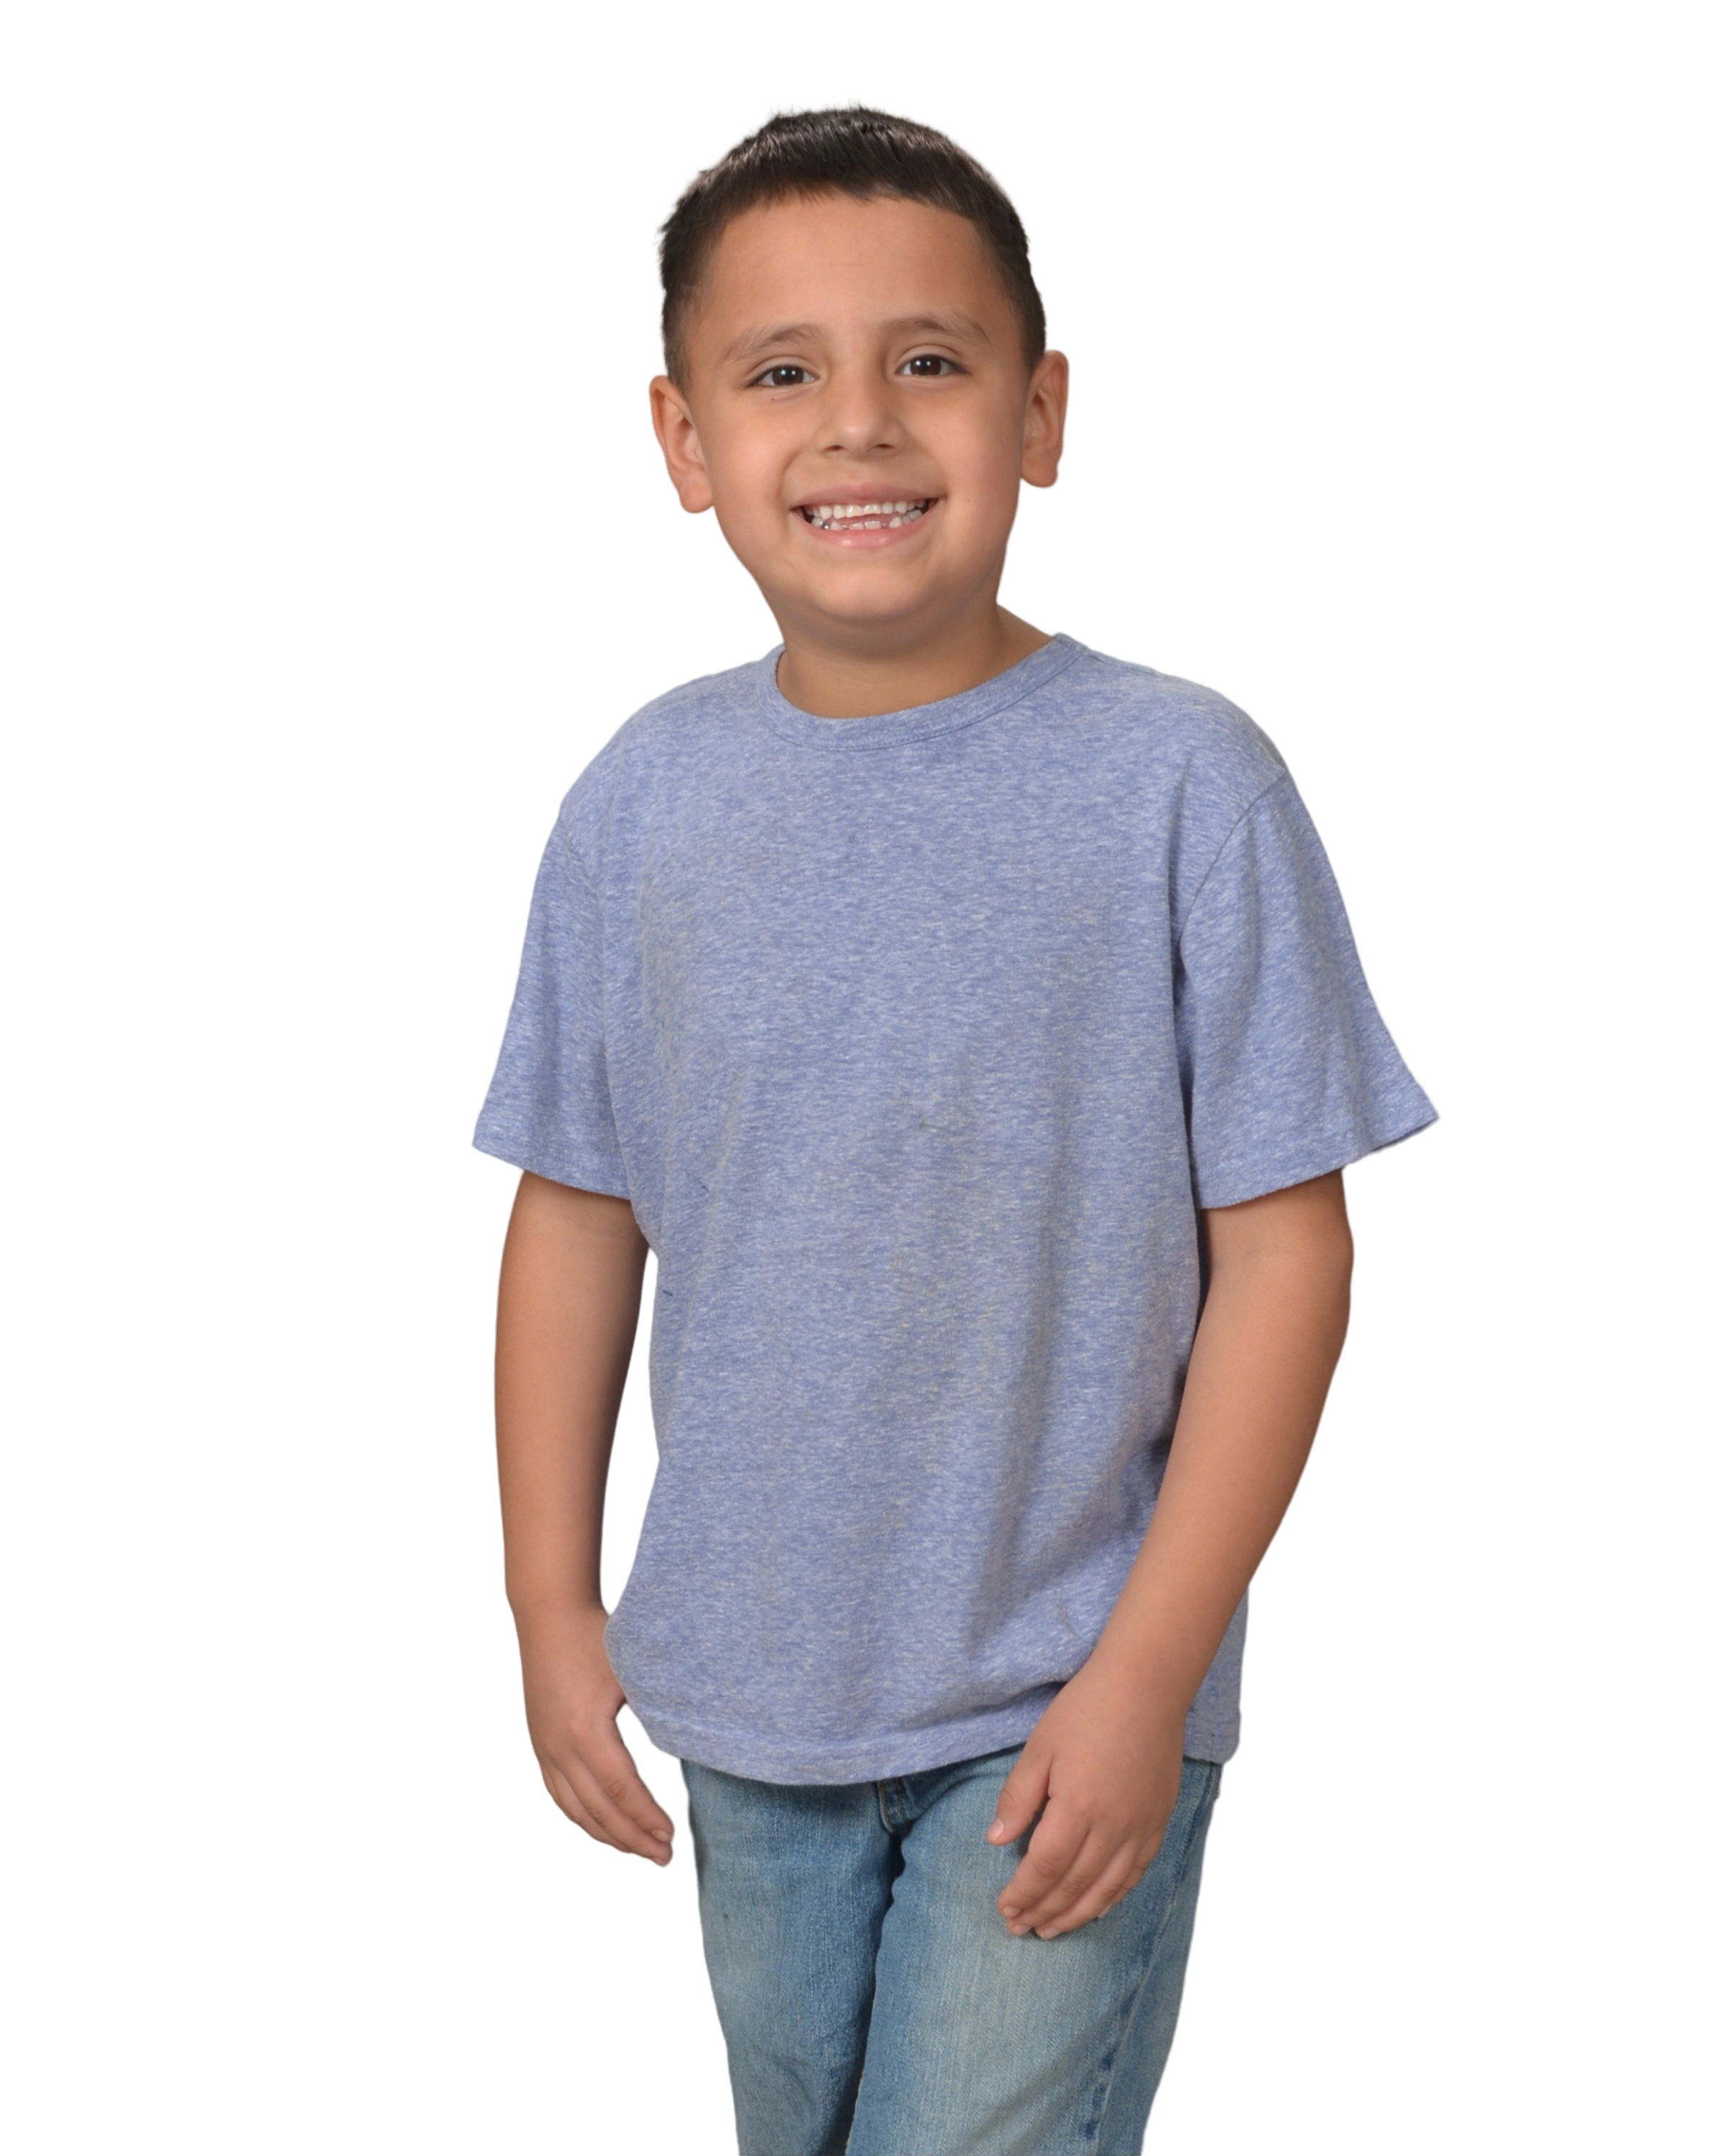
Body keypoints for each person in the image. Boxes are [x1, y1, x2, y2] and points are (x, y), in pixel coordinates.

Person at [470, 93, 1441, 2156]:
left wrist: (1148, 1676)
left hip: (1067, 1689)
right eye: (782, 373)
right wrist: (555, 1609)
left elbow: (1287, 1257)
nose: (860, 424)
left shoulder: (1185, 781)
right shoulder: (636, 801)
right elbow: (575, 1217)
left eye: (930, 359)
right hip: (748, 1697)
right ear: (681, 441)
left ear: (1044, 415)